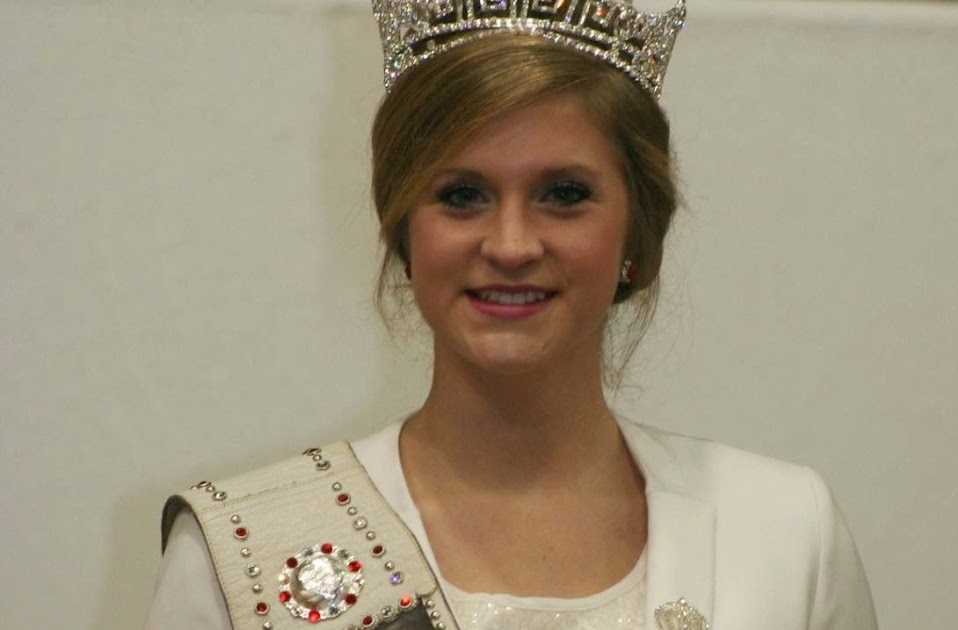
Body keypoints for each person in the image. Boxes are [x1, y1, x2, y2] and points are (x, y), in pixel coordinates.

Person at [145, 1, 878, 629]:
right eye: (462, 195)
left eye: (564, 194)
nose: (512, 245)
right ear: (405, 232)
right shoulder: (238, 552)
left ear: (636, 231)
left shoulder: (786, 530)